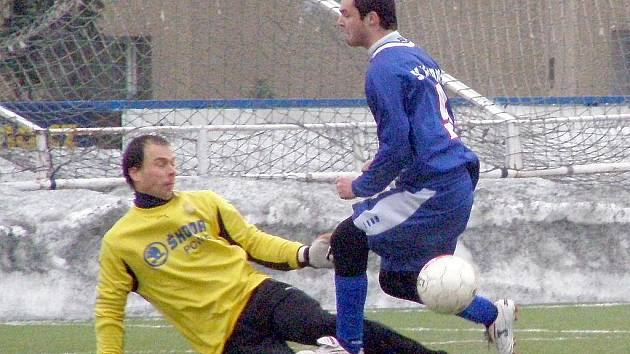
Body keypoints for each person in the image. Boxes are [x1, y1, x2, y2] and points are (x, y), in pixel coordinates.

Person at [94, 134, 447, 354]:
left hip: (260, 296)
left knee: (332, 328)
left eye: (173, 162)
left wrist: (305, 254)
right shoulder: (120, 243)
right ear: (134, 173)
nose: (171, 170)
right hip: (226, 340)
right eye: (160, 164)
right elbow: (109, 311)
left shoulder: (204, 202)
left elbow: (253, 242)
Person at [330, 1, 518, 354]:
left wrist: (359, 186)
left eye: (347, 14)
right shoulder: (417, 56)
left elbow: (398, 143)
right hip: (448, 182)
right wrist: (391, 164)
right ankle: (493, 314)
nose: (340, 22)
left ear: (372, 18)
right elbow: (424, 129)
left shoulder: (382, 69)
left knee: (348, 240)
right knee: (397, 279)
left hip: (435, 187)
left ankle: (347, 346)